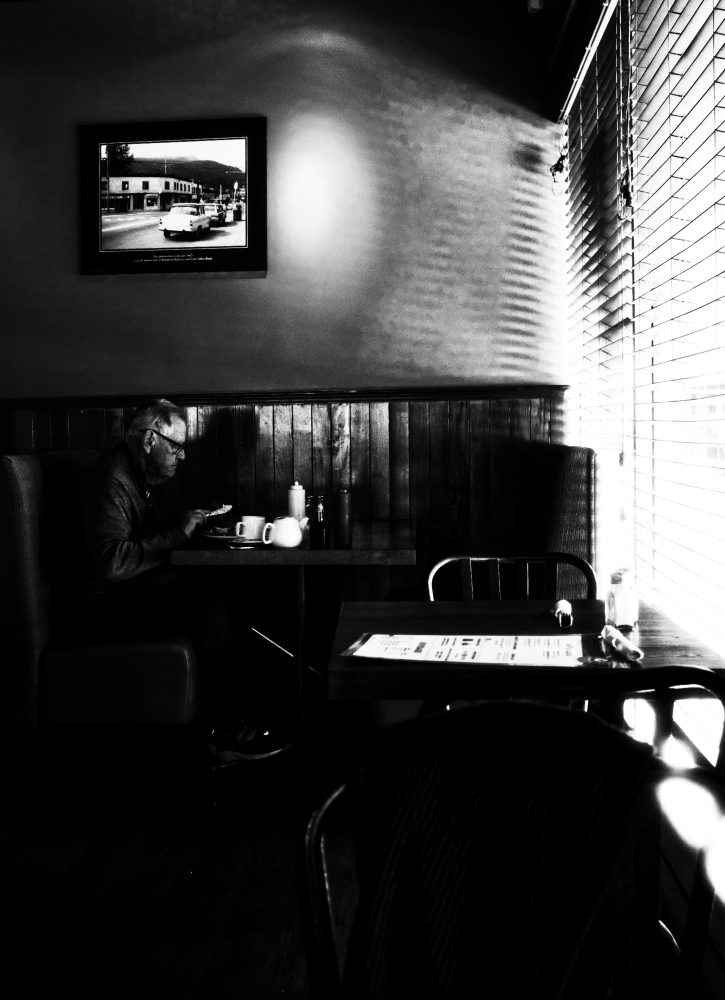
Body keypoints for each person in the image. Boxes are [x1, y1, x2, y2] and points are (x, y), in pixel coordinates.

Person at [76, 397, 291, 765]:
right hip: (105, 608)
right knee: (209, 613)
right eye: (176, 447)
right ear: (149, 440)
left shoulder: (137, 474)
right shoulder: (111, 478)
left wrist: (185, 524)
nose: (183, 455)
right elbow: (110, 562)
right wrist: (177, 535)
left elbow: (139, 538)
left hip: (131, 594)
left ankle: (251, 716)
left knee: (229, 596)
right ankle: (226, 732)